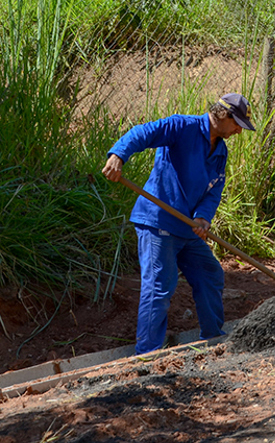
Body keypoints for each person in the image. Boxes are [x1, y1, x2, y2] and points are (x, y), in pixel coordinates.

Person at [101, 93, 255, 354]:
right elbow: (143, 132)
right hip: (158, 222)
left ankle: (214, 339)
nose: (239, 131)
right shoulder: (182, 127)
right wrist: (118, 154)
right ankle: (147, 356)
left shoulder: (220, 151)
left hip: (185, 227)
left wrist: (204, 217)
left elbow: (214, 190)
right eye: (237, 123)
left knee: (209, 273)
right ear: (223, 115)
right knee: (160, 285)